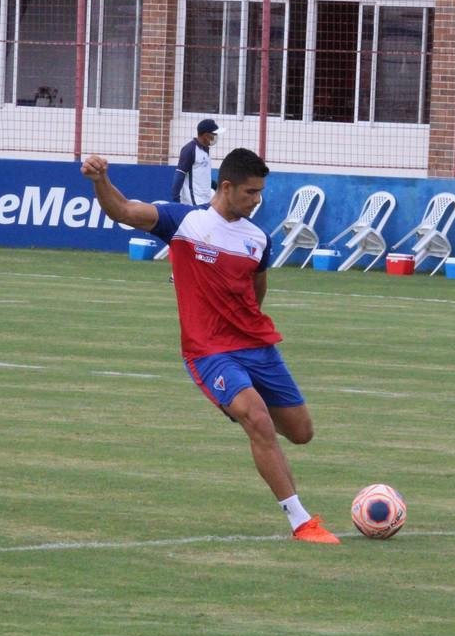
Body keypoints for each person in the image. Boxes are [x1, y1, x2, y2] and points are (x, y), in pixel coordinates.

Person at [81, 148, 340, 545]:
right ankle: (301, 521)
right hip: (208, 351)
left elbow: (256, 290)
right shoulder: (184, 221)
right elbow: (123, 210)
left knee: (301, 433)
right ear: (226, 187)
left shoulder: (258, 239)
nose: (257, 201)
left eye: (260, 193)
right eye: (251, 192)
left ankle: (243, 404)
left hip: (257, 347)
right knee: (257, 418)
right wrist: (101, 181)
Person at [171, 118, 223, 205]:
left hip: (205, 200)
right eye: (214, 134)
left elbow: (202, 176)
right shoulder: (189, 149)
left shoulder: (205, 150)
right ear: (206, 135)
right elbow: (180, 174)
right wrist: (176, 199)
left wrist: (217, 187)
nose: (215, 137)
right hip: (193, 202)